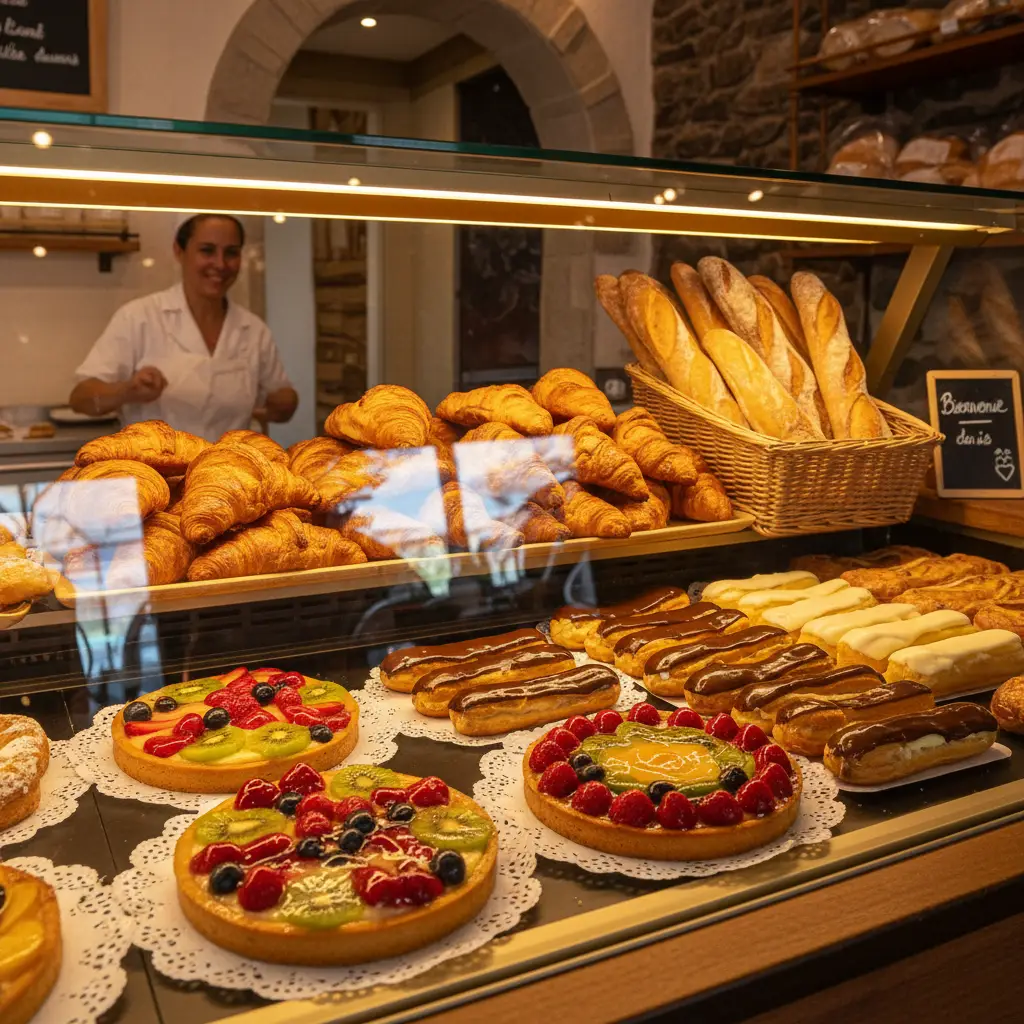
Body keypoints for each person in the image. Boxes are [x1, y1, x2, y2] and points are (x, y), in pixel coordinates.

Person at [69, 214, 298, 441]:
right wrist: (128, 390)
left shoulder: (253, 330)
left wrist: (285, 402)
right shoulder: (139, 317)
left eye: (231, 252)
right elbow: (81, 398)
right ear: (179, 251)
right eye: (207, 250)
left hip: (227, 473)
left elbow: (282, 402)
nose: (220, 264)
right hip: (157, 473)